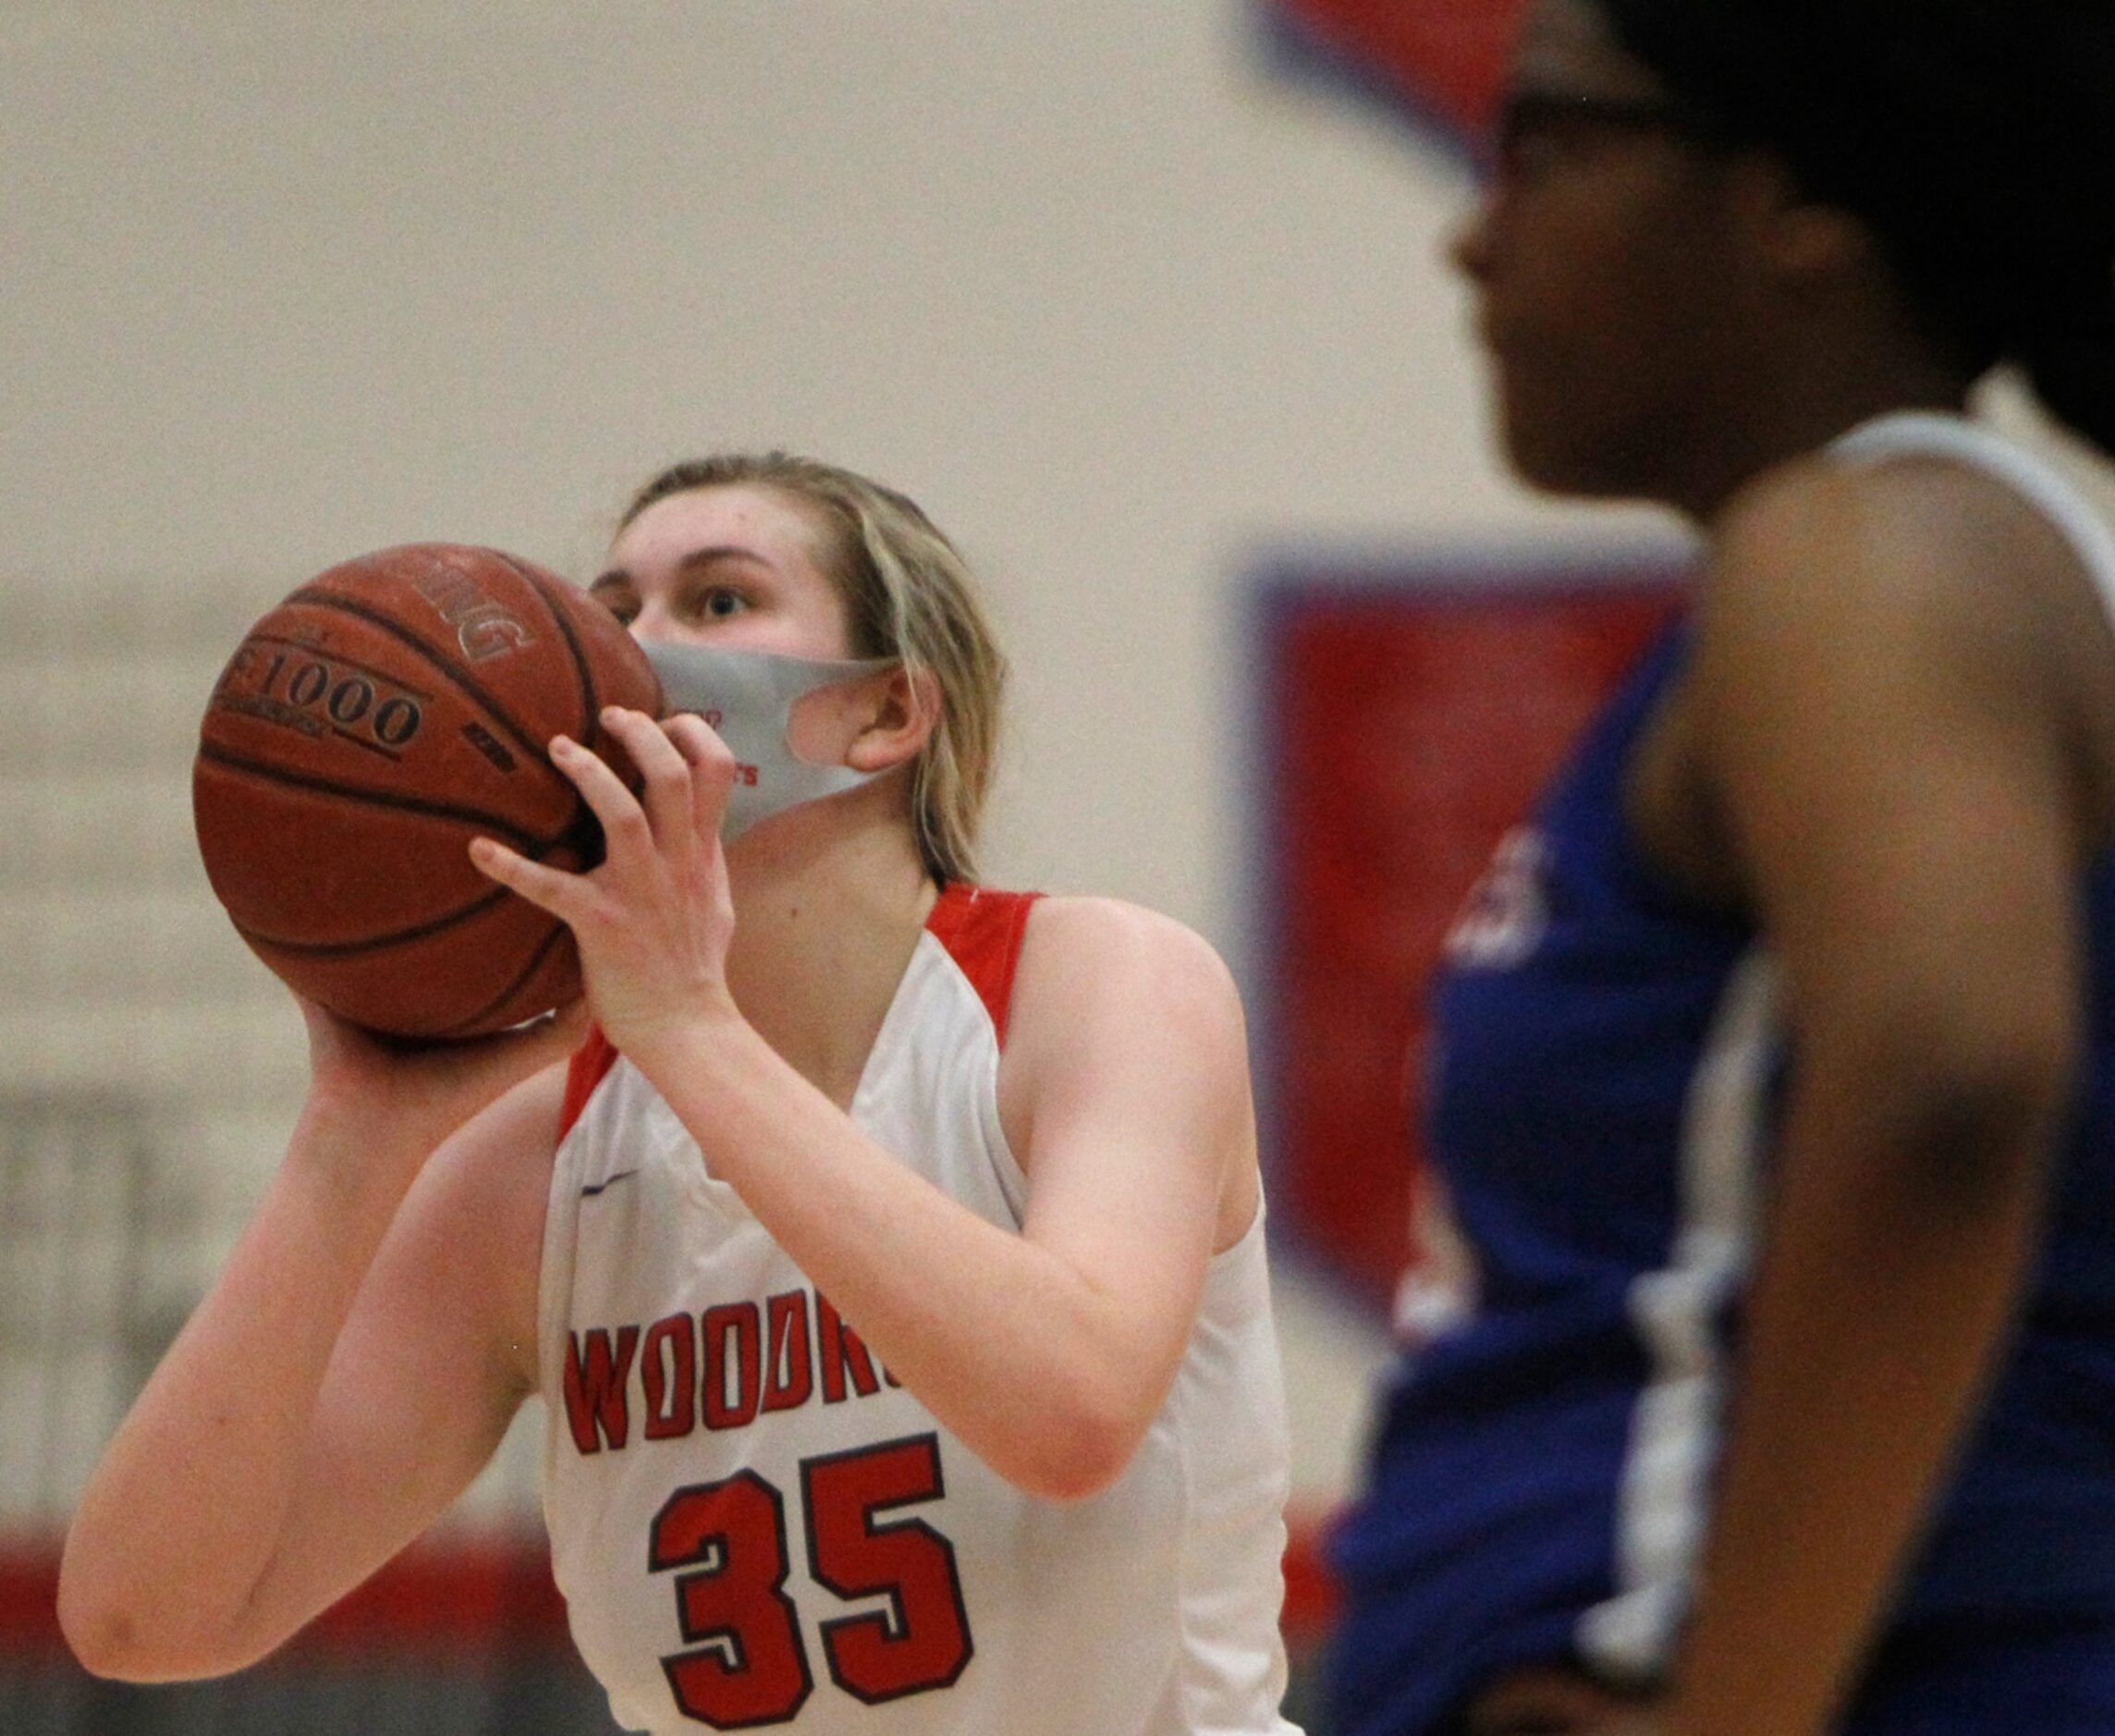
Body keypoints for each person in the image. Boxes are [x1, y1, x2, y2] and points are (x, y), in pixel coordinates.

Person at [58, 451, 1303, 1735]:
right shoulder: (540, 1159)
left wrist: (688, 1026)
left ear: (883, 715)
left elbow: (1073, 1411)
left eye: (717, 601)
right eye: (611, 610)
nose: (635, 652)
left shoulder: (1091, 987)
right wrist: (351, 1138)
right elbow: (144, 1618)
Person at [1323, 2, 2115, 1733]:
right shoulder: (1878, 575)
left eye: (1545, 142)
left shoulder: (1870, 539)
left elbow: (1952, 1077)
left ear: (1797, 203)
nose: (1475, 231)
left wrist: (1741, 1713)